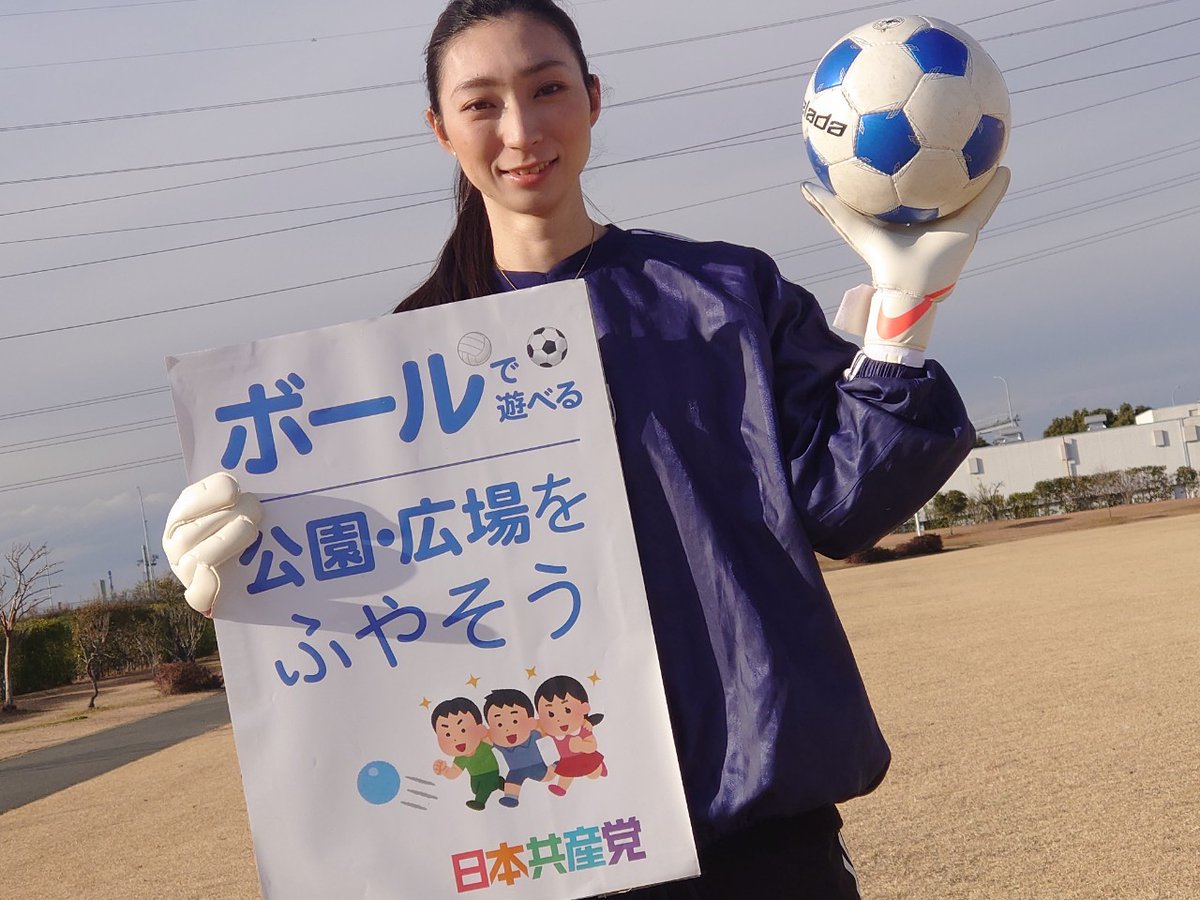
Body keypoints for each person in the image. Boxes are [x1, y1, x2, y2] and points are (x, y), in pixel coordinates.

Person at [161, 1, 1009, 895]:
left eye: (548, 89)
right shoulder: (395, 372)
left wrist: (900, 325)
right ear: (439, 128)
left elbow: (842, 508)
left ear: (594, 98)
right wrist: (251, 578)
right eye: (481, 104)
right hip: (546, 847)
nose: (521, 131)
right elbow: (379, 614)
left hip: (761, 842)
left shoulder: (723, 294)